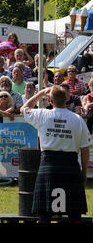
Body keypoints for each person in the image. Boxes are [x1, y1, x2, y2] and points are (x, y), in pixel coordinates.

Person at [21, 85, 91, 223]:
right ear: (66, 99)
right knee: (74, 213)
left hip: (49, 165)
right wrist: (83, 171)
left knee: (45, 213)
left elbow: (23, 109)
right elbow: (85, 149)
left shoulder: (42, 114)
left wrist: (40, 93)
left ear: (50, 101)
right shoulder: (78, 119)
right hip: (71, 167)